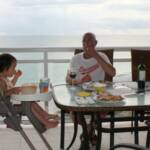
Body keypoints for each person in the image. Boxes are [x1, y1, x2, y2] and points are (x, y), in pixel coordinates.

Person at [66, 32, 116, 147]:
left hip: (100, 95)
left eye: (90, 41)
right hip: (80, 93)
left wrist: (96, 55)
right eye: (84, 41)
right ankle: (90, 131)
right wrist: (78, 81)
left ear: (95, 43)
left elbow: (112, 73)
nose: (87, 43)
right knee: (73, 114)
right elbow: (67, 78)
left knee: (104, 109)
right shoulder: (75, 59)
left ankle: (86, 135)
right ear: (82, 44)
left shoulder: (102, 56)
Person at [0, 53, 58, 129]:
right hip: (7, 107)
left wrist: (16, 77)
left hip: (11, 104)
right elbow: (2, 95)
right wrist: (12, 91)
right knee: (29, 106)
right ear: (5, 68)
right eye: (13, 67)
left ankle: (45, 115)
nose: (15, 70)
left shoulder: (5, 78)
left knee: (31, 101)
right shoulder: (1, 81)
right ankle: (46, 123)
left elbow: (11, 85)